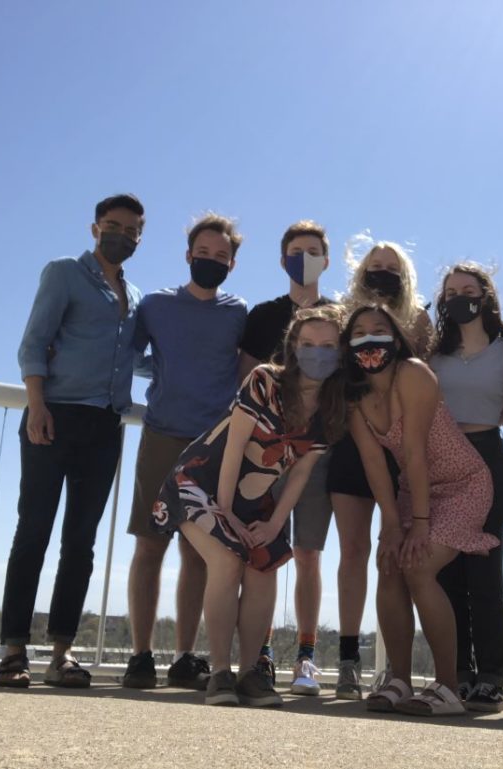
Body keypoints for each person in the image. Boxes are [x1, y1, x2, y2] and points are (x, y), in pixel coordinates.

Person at [152, 305, 346, 707]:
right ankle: (219, 673)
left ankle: (249, 674)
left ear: (341, 352)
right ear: (293, 347)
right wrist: (224, 513)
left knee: (266, 566)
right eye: (308, 344)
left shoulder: (332, 410)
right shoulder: (264, 382)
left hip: (260, 500)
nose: (318, 352)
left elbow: (300, 474)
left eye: (328, 345)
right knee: (227, 559)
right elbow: (235, 446)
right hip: (201, 482)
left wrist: (275, 525)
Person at [0, 193, 145, 688]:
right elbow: (34, 341)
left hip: (105, 426)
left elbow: (135, 358)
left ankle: (62, 652)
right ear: (95, 227)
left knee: (81, 542)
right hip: (53, 416)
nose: (121, 234)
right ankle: (13, 651)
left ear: (140, 237)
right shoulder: (63, 273)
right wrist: (36, 404)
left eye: (132, 229)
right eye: (112, 224)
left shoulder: (135, 296)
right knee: (33, 531)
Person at [345, 305, 497, 716]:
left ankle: (448, 687)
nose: (369, 338)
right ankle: (399, 680)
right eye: (358, 331)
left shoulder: (412, 374)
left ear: (395, 340)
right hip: (414, 490)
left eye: (379, 330)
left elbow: (413, 450)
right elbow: (375, 464)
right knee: (391, 563)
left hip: (462, 484)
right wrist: (391, 526)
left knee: (418, 565)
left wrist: (420, 526)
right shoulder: (354, 396)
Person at [122, 214, 247, 691]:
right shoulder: (155, 305)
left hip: (211, 446)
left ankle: (185, 656)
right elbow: (131, 356)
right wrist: (164, 372)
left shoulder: (238, 313)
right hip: (161, 435)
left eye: (221, 256)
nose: (210, 261)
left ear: (232, 264)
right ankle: (139, 655)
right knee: (150, 545)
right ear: (188, 254)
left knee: (200, 553)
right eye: (204, 252)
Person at [327, 239, 433, 698]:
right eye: (375, 266)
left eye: (392, 267)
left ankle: (397, 669)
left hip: (406, 450)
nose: (383, 273)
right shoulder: (341, 317)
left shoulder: (420, 321)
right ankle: (349, 659)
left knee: (398, 557)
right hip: (354, 444)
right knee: (353, 551)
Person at [237, 220, 334, 695]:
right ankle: (260, 655)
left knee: (308, 554)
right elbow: (244, 388)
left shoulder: (340, 317)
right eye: (296, 251)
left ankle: (307, 657)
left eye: (313, 251)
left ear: (327, 259)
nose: (304, 258)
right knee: (265, 552)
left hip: (318, 453)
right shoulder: (261, 316)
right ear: (282, 260)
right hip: (265, 454)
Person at [428, 263, 503, 712]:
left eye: (468, 289)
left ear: (485, 296)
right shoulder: (432, 354)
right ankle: (455, 672)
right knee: (446, 574)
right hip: (440, 457)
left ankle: (492, 677)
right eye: (451, 291)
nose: (459, 296)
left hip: (486, 453)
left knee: (484, 568)